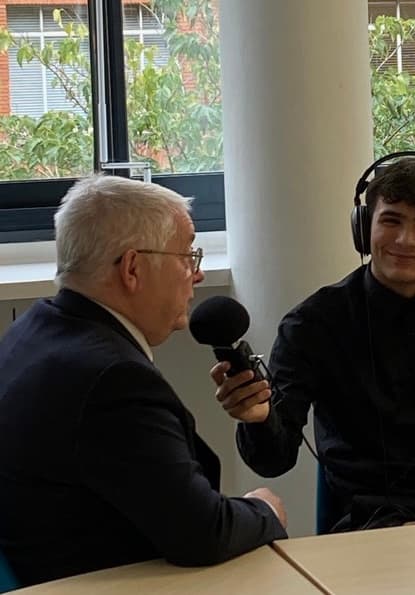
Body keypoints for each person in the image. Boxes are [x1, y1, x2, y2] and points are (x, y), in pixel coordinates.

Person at [214, 154, 415, 531]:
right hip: (372, 519)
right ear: (364, 226)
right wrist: (259, 419)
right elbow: (274, 459)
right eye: (391, 220)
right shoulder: (313, 323)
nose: (406, 240)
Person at [0, 175, 287, 588]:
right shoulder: (113, 381)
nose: (198, 275)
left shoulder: (33, 330)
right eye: (188, 255)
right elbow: (201, 533)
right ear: (133, 268)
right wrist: (263, 510)